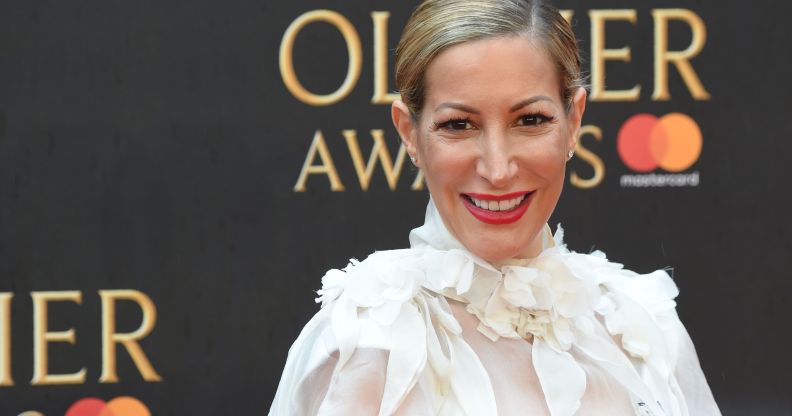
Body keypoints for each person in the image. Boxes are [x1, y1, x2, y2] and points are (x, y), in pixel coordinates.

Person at [270, 0, 721, 414]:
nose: (498, 168)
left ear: (574, 120)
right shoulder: (365, 343)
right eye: (458, 124)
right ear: (409, 132)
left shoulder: (643, 330)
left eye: (530, 120)